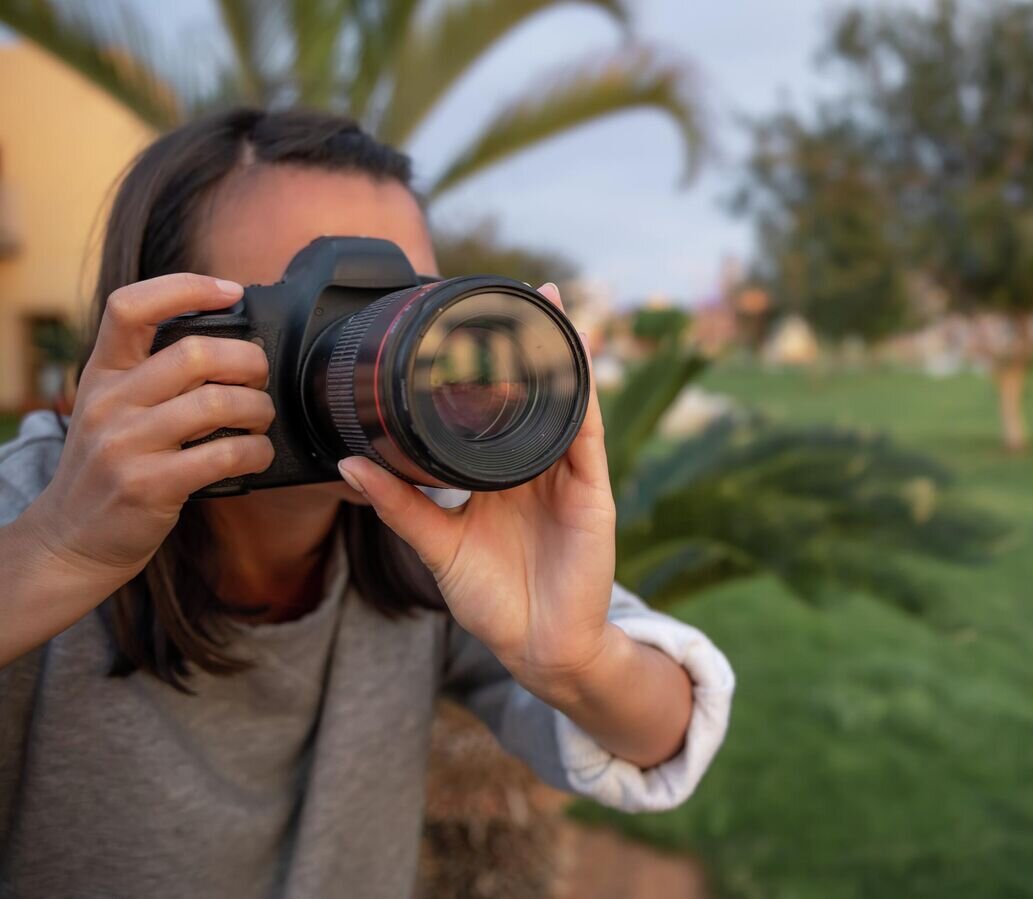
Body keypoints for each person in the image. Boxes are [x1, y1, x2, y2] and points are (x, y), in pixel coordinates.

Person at [0, 108, 734, 897]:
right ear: (158, 335)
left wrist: (581, 661)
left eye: (401, 305)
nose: (383, 352)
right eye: (304, 309)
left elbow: (668, 726)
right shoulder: (41, 502)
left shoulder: (435, 528)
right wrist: (60, 555)